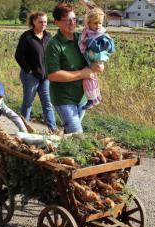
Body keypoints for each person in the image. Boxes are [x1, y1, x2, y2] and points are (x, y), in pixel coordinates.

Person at [45, 3, 104, 134]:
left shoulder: (82, 38)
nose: (72, 23)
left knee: (70, 135)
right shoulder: (54, 45)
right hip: (64, 98)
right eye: (67, 20)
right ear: (57, 22)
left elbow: (96, 52)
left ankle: (61, 153)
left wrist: (98, 65)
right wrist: (83, 73)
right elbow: (53, 75)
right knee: (77, 134)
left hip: (82, 97)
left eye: (74, 19)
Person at [15, 11, 57, 133]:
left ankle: (53, 130)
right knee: (28, 103)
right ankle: (23, 129)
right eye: (41, 21)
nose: (44, 24)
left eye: (45, 22)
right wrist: (28, 70)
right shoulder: (27, 37)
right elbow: (19, 56)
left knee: (48, 103)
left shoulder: (48, 36)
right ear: (34, 22)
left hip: (45, 77)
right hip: (30, 77)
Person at [78, 7, 115, 110]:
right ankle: (96, 96)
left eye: (100, 23)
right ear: (88, 23)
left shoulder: (101, 35)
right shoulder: (87, 32)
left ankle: (92, 99)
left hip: (97, 58)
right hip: (91, 58)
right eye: (95, 23)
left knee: (88, 78)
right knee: (91, 78)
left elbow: (101, 47)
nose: (98, 26)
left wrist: (89, 42)